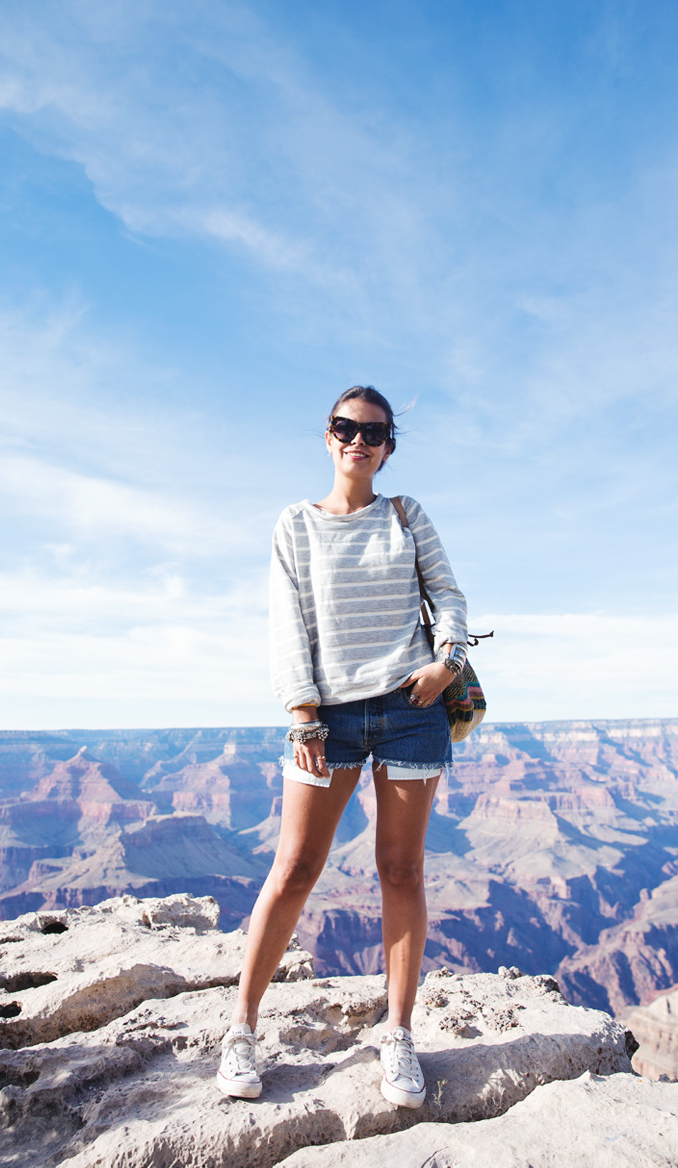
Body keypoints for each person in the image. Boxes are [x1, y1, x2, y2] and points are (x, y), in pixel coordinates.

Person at [217, 386, 468, 1107]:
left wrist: (445, 660)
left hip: (411, 709)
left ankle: (398, 1035)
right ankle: (240, 1029)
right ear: (326, 438)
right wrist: (301, 713)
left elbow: (448, 595)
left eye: (373, 431)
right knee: (294, 867)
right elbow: (285, 621)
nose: (358, 439)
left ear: (388, 446)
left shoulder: (405, 514)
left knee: (401, 870)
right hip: (326, 717)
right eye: (345, 427)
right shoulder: (295, 523)